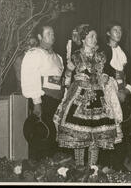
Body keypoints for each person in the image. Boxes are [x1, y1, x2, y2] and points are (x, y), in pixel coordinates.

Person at [53, 25, 123, 167]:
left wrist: (105, 76)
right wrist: (69, 71)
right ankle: (79, 168)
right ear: (83, 39)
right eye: (91, 36)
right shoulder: (75, 56)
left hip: (99, 97)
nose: (94, 39)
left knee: (95, 137)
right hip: (79, 96)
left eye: (95, 36)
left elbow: (110, 73)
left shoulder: (102, 55)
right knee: (79, 136)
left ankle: (93, 169)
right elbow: (65, 80)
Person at [21, 25, 64, 161]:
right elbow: (30, 78)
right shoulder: (34, 54)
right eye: (48, 33)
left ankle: (51, 169)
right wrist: (37, 102)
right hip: (42, 99)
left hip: (56, 101)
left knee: (53, 136)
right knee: (42, 133)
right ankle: (35, 167)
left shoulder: (58, 57)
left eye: (53, 33)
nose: (52, 35)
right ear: (40, 37)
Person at [100, 21, 131, 171]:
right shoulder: (102, 52)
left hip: (123, 95)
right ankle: (106, 164)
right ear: (108, 33)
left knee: (123, 129)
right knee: (107, 129)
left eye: (120, 30)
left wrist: (126, 91)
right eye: (115, 30)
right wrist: (115, 93)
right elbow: (103, 73)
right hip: (107, 95)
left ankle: (118, 163)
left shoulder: (125, 53)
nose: (119, 33)